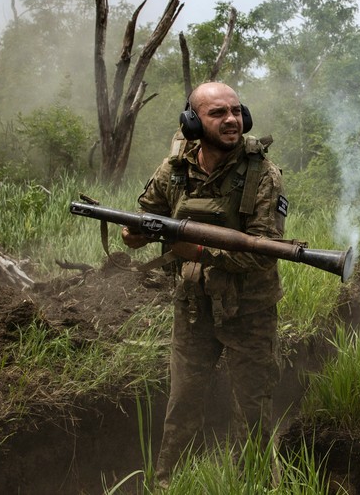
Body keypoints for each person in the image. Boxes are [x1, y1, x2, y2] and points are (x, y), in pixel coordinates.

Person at [122, 82, 287, 486]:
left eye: (236, 111)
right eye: (218, 113)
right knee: (182, 404)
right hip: (193, 304)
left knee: (253, 410)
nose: (231, 120)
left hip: (249, 309)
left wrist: (197, 251)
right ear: (193, 122)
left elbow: (264, 252)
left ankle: (256, 484)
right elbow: (146, 215)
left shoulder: (263, 175)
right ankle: (166, 484)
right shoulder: (174, 169)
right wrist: (135, 234)